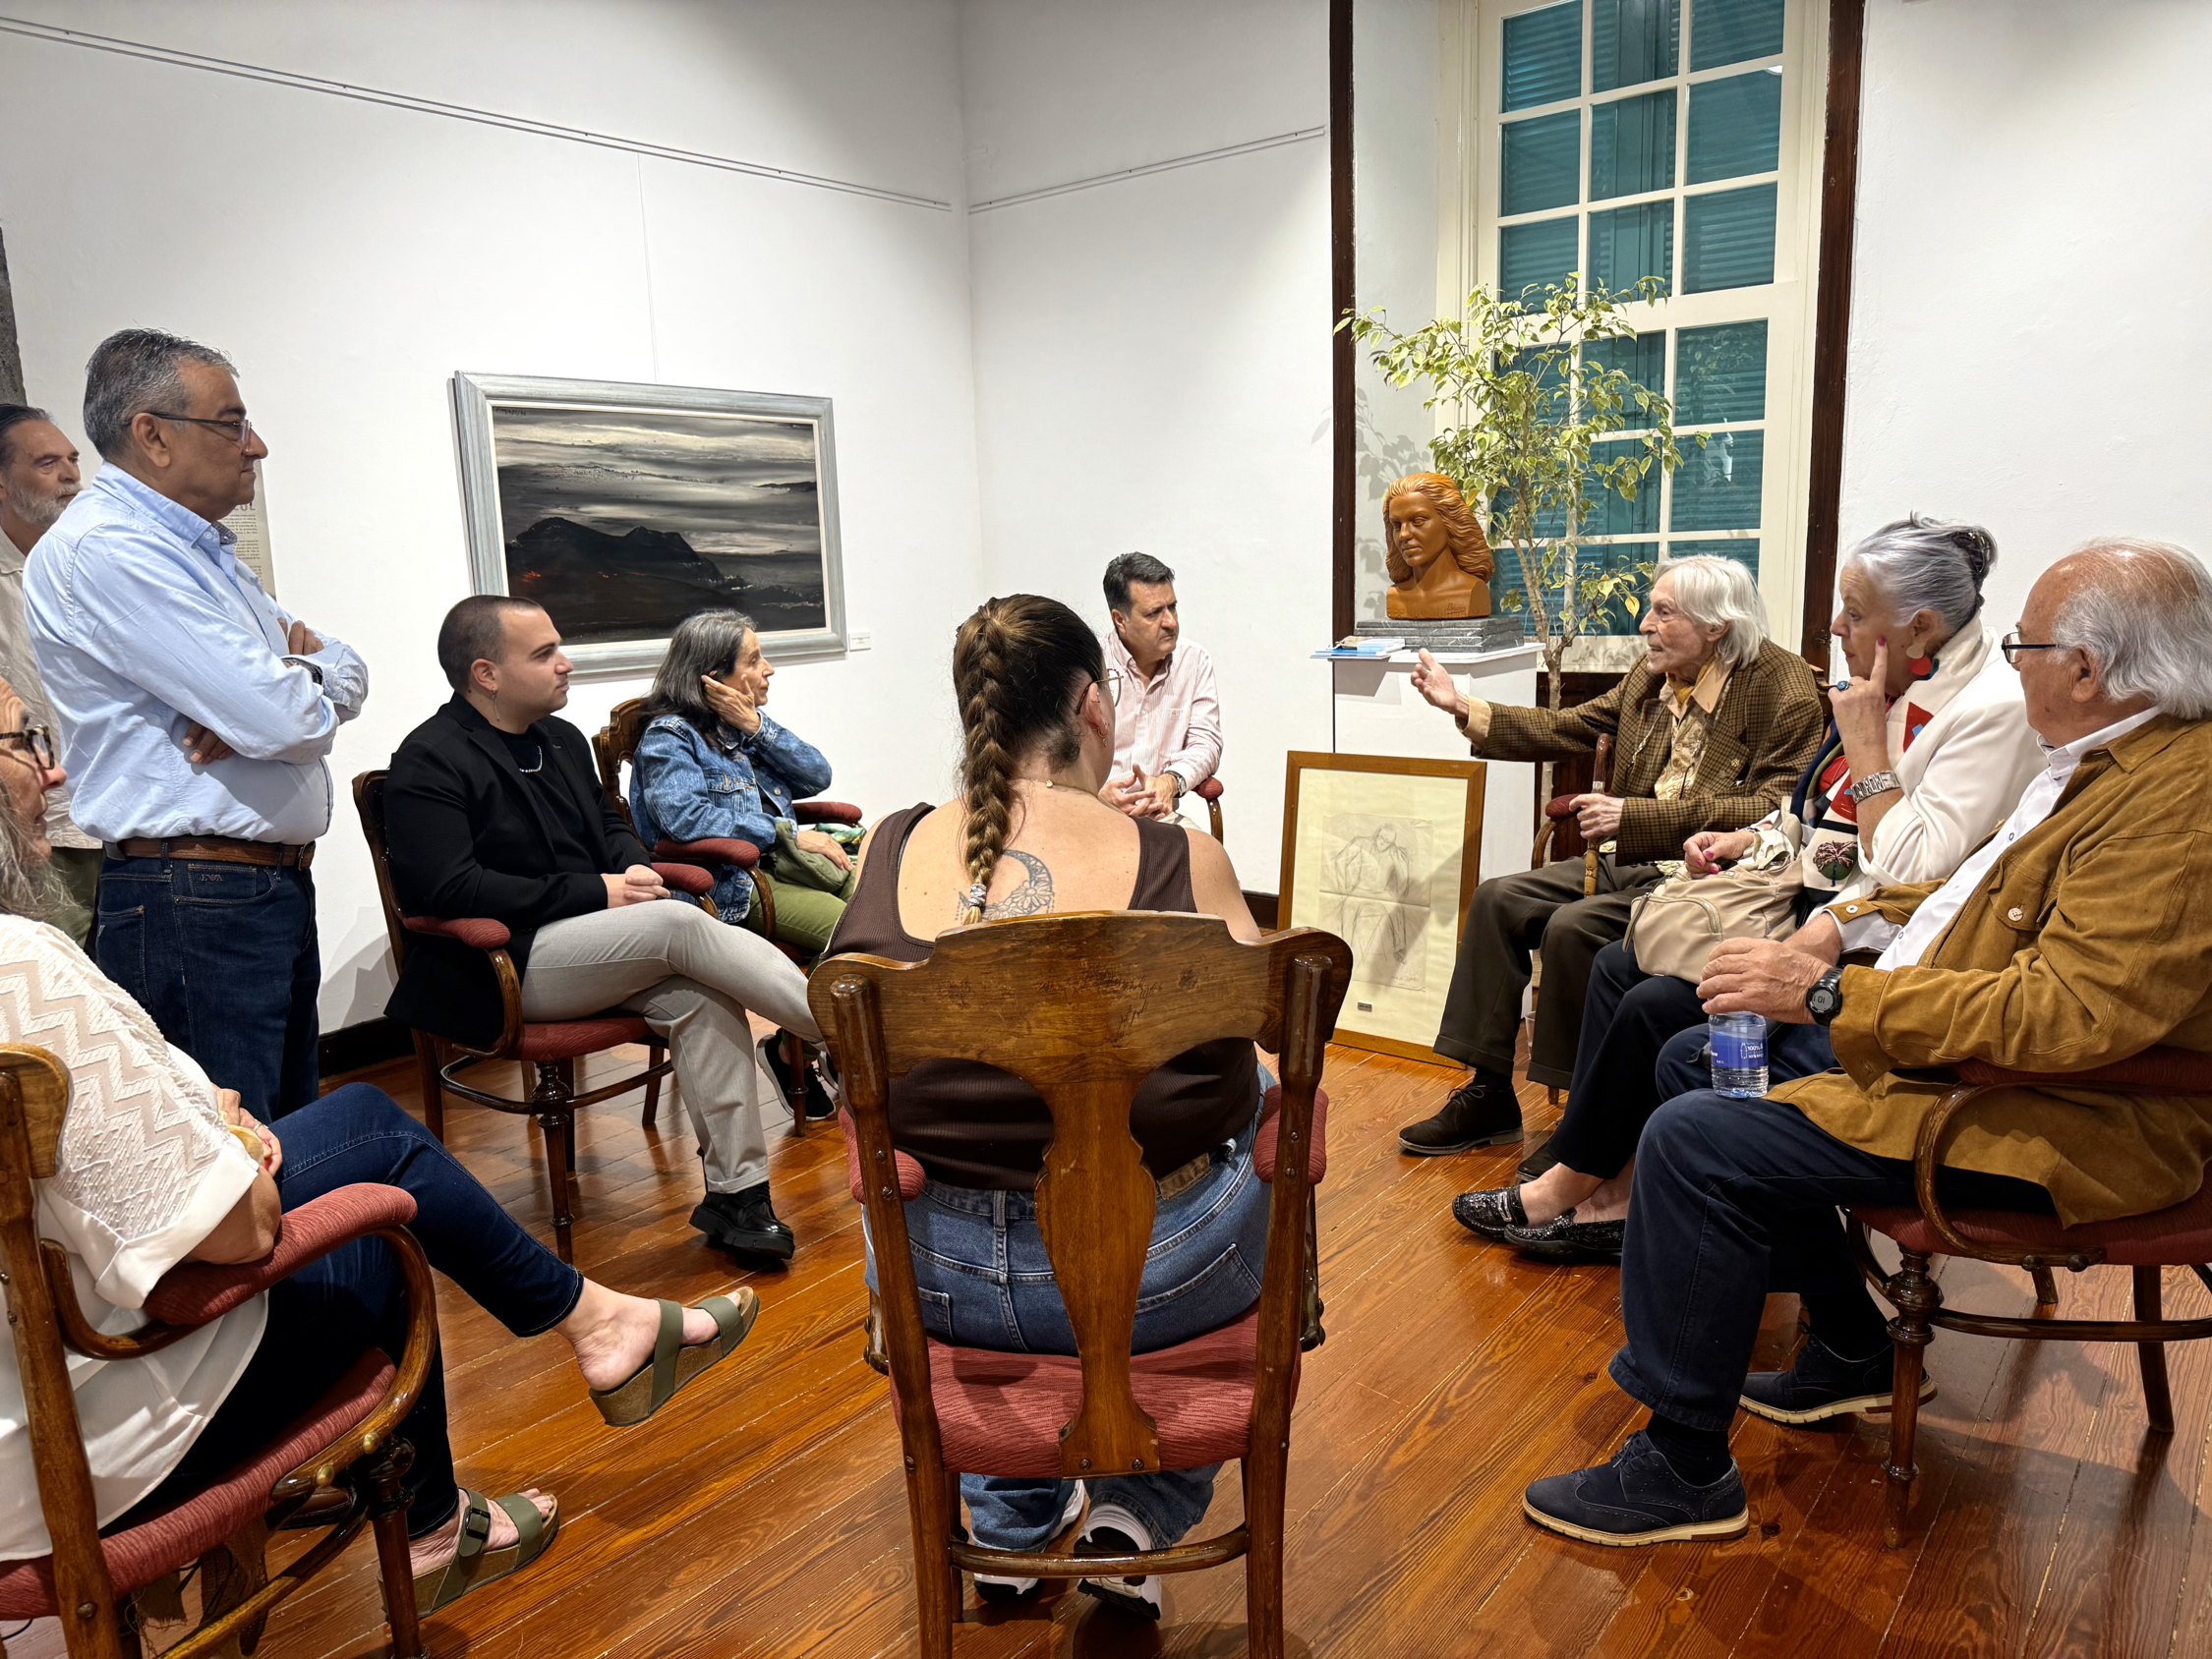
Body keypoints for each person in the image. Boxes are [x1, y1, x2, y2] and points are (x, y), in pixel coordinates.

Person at [0, 665, 757, 1607]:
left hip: (23, 1429)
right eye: (26, 743)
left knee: (363, 1119)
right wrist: (227, 1143)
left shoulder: (564, 746)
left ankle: (593, 1338)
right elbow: (233, 1233)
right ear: (486, 667)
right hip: (69, 1451)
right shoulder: (22, 965)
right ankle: (464, 1500)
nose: (56, 775)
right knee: (385, 1226)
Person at [1521, 539, 2212, 1547]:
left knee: (1691, 1135)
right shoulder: (2109, 760)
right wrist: (1840, 927)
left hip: (2047, 1113)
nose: (2010, 655)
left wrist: (1837, 995)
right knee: (1694, 1055)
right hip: (1963, 1052)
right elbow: (1966, 885)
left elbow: (2069, 1019)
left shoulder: (2173, 806)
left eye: (2025, 640)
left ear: (2088, 668)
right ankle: (1847, 1339)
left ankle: (1682, 1463)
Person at [828, 593, 1268, 1620]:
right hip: (1162, 1274)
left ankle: (1012, 1534)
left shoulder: (889, 851)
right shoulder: (1179, 861)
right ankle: (1136, 1514)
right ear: (1092, 705)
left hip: (938, 1278)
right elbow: (1276, 1045)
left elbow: (848, 1060)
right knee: (1261, 1125)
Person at [1457, 516, 2043, 1263]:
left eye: (1855, 614)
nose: (1835, 626)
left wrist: (1858, 744)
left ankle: (1597, 1187)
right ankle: (1596, 1176)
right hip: (1784, 891)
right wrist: (1754, 840)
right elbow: (1808, 813)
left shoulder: (1964, 706)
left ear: (1919, 627)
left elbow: (1906, 870)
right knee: (1611, 959)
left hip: (1865, 949)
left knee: (1642, 997)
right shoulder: (1886, 681)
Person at [382, 597, 819, 1263]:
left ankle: (738, 1198)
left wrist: (634, 869)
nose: (567, 663)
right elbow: (447, 890)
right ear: (486, 674)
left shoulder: (557, 741)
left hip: (598, 945)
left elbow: (610, 826)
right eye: (544, 653)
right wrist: (599, 890)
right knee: (678, 924)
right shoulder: (428, 760)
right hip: (505, 964)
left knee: (702, 997)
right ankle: (855, 1033)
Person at [26, 330, 367, 1120]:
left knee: (284, 1133)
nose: (258, 446)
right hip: (195, 895)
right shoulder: (108, 548)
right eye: (231, 423)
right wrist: (269, 699)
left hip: (248, 884)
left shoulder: (201, 551)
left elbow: (341, 666)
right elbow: (281, 719)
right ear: (152, 434)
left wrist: (291, 682)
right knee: (236, 1153)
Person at [1397, 554, 1825, 1157]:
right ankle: (1488, 1092)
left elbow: (1777, 805)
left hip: (1710, 876)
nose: (1645, 625)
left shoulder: (1780, 687)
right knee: (1499, 898)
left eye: (1662, 612)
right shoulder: (1654, 675)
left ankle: (1581, 1121)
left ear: (1716, 627)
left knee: (1574, 929)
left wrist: (1636, 815)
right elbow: (1570, 727)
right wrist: (1464, 706)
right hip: (1635, 857)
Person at [629, 608, 854, 959]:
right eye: (753, 660)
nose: (768, 669)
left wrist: (756, 726)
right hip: (737, 884)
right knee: (860, 931)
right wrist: (785, 833)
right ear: (715, 676)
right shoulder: (669, 737)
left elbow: (817, 775)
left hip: (786, 866)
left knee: (889, 904)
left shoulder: (741, 727)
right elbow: (686, 819)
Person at [0, 404, 101, 944]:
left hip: (115, 816)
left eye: (72, 459)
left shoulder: (83, 564)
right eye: (47, 463)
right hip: (40, 830)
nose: (70, 476)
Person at [1098, 552, 1222, 829]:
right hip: (1097, 816)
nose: (1170, 622)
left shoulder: (1194, 661)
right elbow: (1063, 753)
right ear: (1120, 619)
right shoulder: (1089, 663)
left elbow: (1206, 742)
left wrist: (1170, 782)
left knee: (1213, 867)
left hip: (1161, 819)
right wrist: (1094, 797)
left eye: (1172, 607)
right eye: (1154, 613)